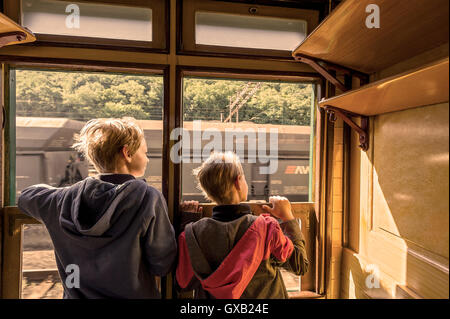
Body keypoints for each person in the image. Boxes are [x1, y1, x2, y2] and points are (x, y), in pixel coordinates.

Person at [18, 118, 177, 299]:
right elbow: (162, 264)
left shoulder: (63, 199)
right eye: (145, 152)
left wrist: (66, 192)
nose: (147, 159)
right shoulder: (148, 197)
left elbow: (26, 196)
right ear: (127, 153)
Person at [176, 151, 308, 299]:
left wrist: (187, 222)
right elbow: (300, 265)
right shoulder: (267, 229)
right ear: (238, 181)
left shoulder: (192, 234)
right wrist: (288, 217)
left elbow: (184, 283)